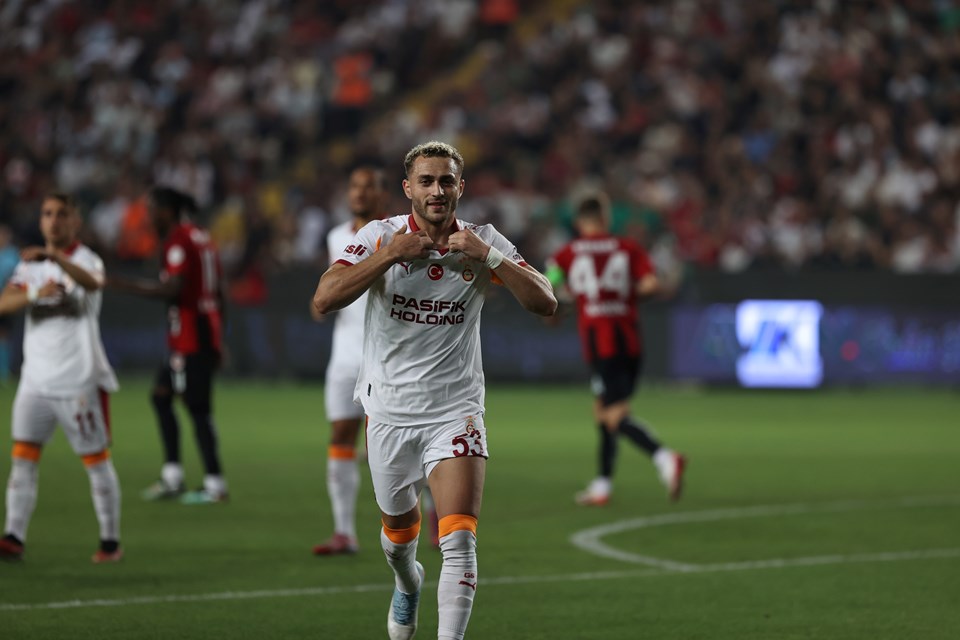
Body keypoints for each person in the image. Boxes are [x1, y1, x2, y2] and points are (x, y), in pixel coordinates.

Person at [312, 141, 556, 640]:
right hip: (389, 413)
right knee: (399, 542)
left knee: (459, 540)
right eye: (426, 181)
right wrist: (390, 255)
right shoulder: (380, 235)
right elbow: (324, 298)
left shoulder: (482, 240)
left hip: (455, 411)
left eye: (446, 181)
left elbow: (546, 301)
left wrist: (489, 257)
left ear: (461, 187)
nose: (437, 190)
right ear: (408, 189)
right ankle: (407, 582)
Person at [0, 193, 122, 563]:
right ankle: (13, 536)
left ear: (75, 222)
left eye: (61, 214)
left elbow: (94, 283)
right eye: (47, 213)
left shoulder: (87, 259)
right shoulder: (30, 267)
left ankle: (110, 542)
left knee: (96, 461)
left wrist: (55, 258)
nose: (53, 221)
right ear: (41, 221)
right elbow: (4, 303)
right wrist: (35, 292)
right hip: (35, 381)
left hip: (78, 380)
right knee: (23, 458)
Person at [545, 193, 686, 506]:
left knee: (612, 415)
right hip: (629, 338)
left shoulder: (566, 254)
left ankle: (665, 458)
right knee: (603, 409)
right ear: (605, 218)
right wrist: (622, 298)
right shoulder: (627, 248)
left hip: (601, 342)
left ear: (579, 222)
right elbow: (651, 285)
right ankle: (603, 484)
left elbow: (548, 285)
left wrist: (565, 306)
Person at [109, 186, 228, 505]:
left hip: (190, 334)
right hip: (199, 331)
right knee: (162, 396)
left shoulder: (178, 239)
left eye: (152, 209)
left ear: (166, 210)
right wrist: (219, 336)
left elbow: (173, 289)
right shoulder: (201, 236)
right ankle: (173, 476)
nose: (148, 216)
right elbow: (219, 289)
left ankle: (215, 484)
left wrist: (124, 284)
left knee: (197, 407)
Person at [310, 165, 387, 556]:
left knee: (397, 443)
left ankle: (431, 516)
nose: (359, 193)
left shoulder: (396, 234)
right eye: (355, 186)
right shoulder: (335, 237)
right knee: (341, 436)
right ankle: (344, 532)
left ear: (382, 193)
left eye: (368, 187)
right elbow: (334, 284)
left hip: (385, 356)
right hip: (344, 354)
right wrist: (319, 304)